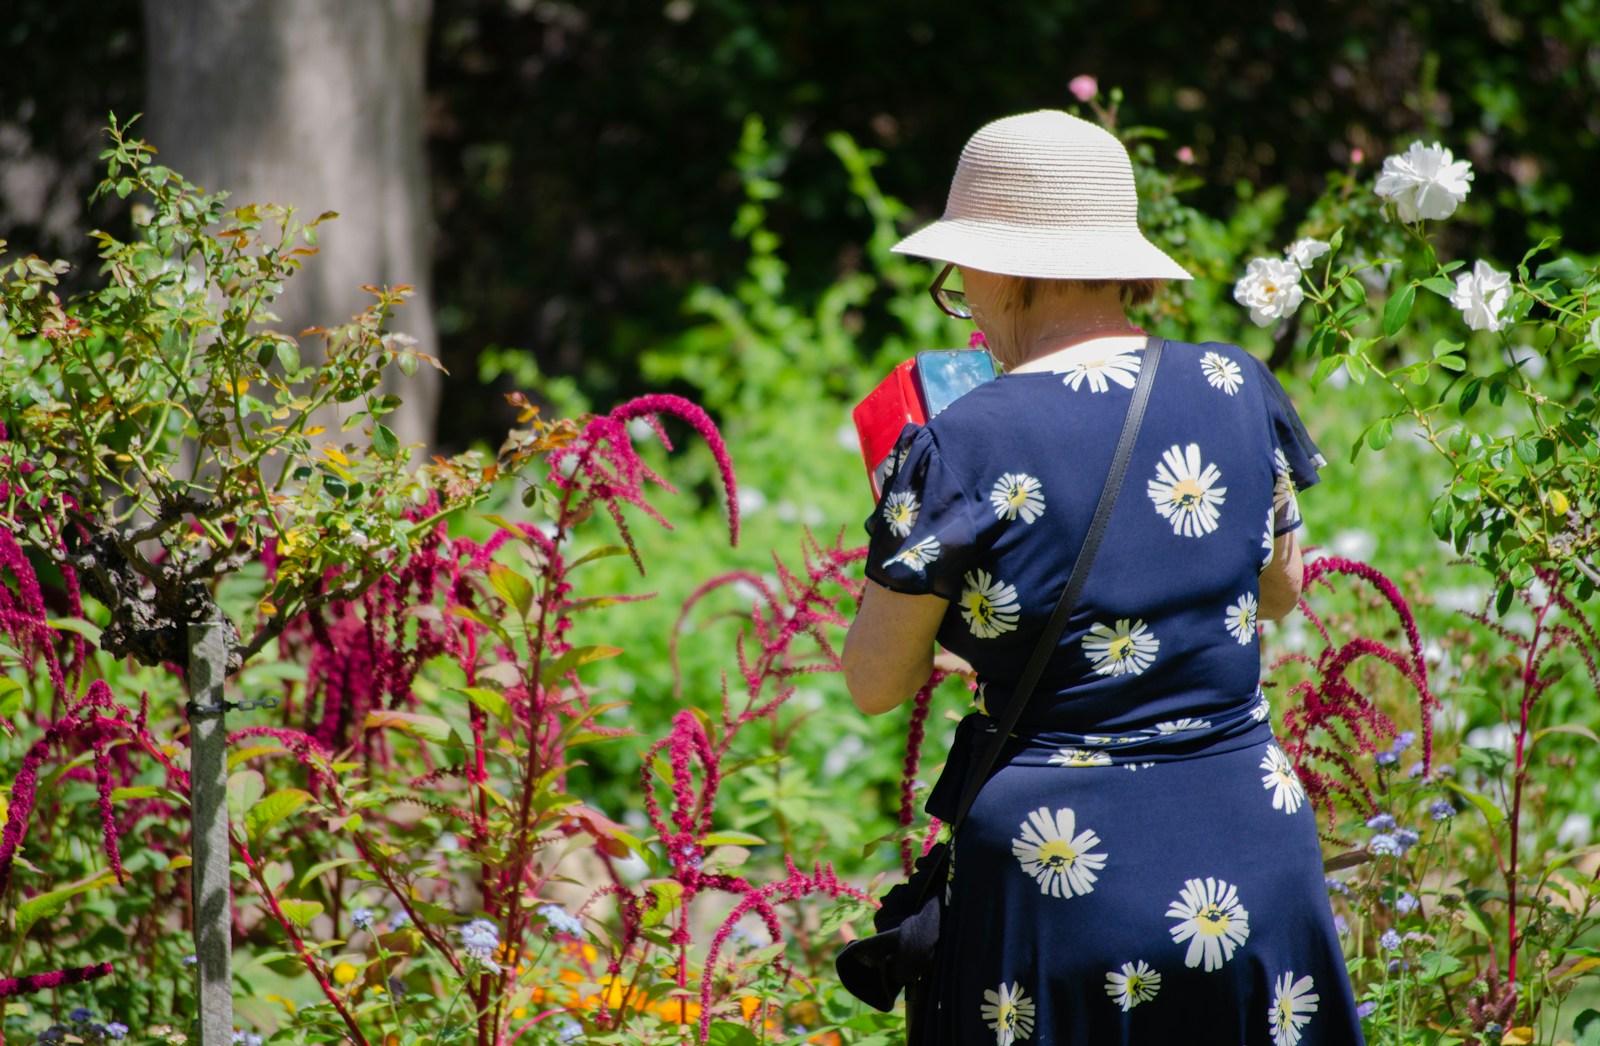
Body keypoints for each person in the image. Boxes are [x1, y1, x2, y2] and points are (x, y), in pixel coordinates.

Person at [842, 110, 1364, 1046]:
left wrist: (917, 535)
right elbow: (1281, 590)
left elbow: (876, 682)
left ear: (1003, 269)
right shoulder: (1237, 385)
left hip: (1062, 877)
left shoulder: (960, 440)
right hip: (1251, 843)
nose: (963, 301)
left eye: (958, 278)